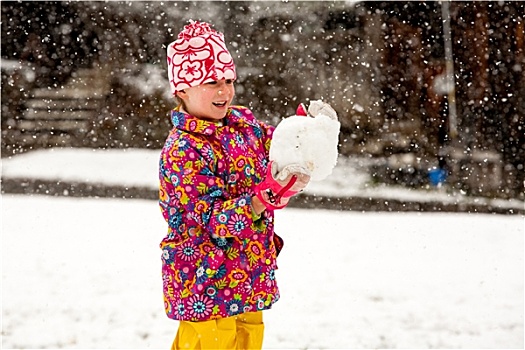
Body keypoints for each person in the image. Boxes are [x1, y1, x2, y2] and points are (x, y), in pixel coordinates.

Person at [159, 20, 310, 350]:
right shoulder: (184, 149)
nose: (224, 91)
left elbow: (278, 152)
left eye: (228, 80)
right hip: (205, 280)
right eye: (211, 81)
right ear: (181, 89)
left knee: (247, 340)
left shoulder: (243, 124)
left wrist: (302, 139)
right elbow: (209, 219)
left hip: (248, 270)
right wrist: (257, 202)